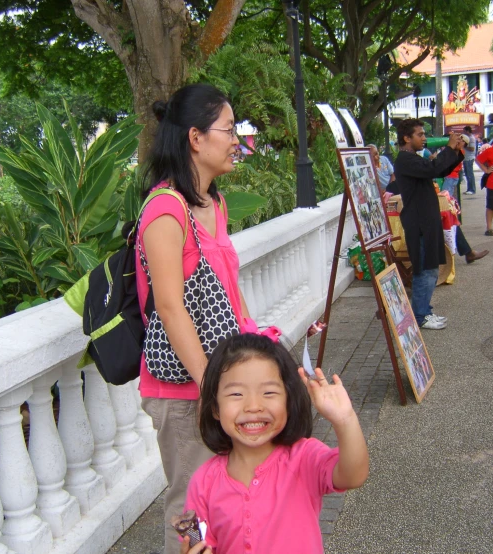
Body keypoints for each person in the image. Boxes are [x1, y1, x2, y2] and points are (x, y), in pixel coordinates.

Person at [137, 83, 257, 554]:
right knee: (190, 506)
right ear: (195, 137)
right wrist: (210, 387)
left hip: (221, 379)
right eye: (228, 130)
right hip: (185, 391)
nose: (236, 141)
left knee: (227, 496)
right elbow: (169, 307)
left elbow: (228, 293)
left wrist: (255, 354)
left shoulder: (214, 204)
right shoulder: (165, 209)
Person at [182, 334, 368, 554]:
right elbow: (197, 542)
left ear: (288, 401)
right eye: (236, 394)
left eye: (269, 393)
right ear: (215, 407)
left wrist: (345, 420)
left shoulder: (304, 458)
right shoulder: (203, 483)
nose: (253, 406)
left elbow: (353, 475)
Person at [393, 118, 464, 330]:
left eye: (424, 134)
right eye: (420, 135)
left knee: (431, 267)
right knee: (424, 269)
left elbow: (438, 170)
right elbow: (433, 168)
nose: (424, 138)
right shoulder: (405, 160)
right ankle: (421, 315)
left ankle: (424, 310)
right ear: (407, 138)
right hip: (419, 221)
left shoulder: (413, 158)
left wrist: (456, 152)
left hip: (426, 220)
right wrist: (449, 149)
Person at [462, 126, 477, 194]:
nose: (463, 133)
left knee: (470, 174)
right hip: (466, 158)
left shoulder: (471, 138)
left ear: (467, 131)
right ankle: (469, 189)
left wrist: (464, 146)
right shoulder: (468, 138)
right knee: (467, 174)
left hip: (469, 158)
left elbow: (472, 149)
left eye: (464, 131)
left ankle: (472, 189)